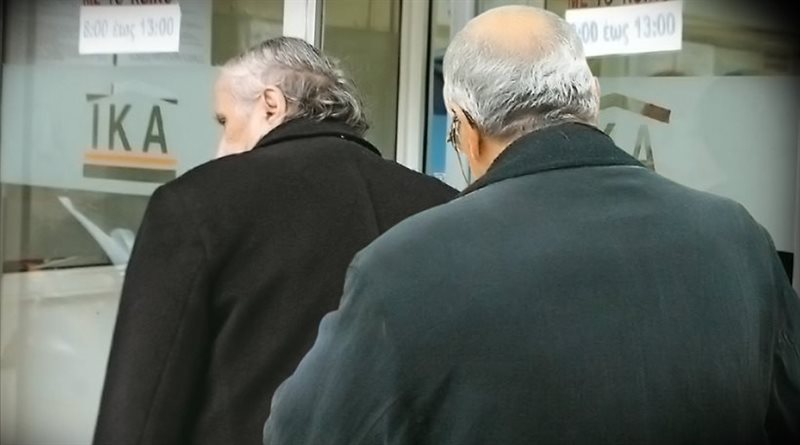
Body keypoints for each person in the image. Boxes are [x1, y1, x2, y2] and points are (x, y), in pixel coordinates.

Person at [263, 6, 800, 445]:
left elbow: (305, 433)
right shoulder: (737, 238)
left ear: (464, 126)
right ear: (592, 98)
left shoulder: (405, 265)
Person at [93, 37, 456, 445]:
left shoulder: (197, 203)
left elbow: (143, 407)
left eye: (224, 121)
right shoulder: (441, 206)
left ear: (271, 104)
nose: (220, 147)